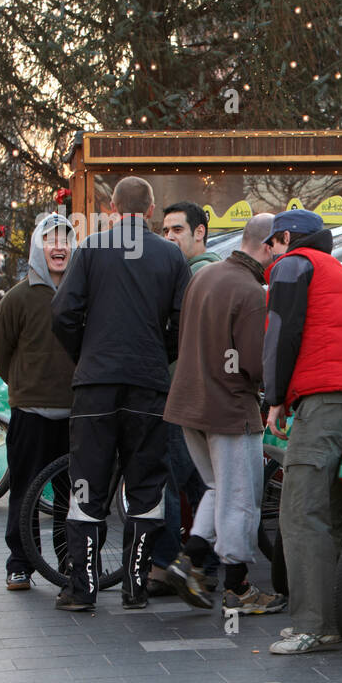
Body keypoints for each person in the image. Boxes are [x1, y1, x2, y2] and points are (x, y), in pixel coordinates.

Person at [51, 177, 190, 610]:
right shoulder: (170, 255)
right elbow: (183, 320)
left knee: (86, 486)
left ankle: (83, 589)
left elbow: (63, 312)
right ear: (150, 210)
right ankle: (135, 587)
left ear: (113, 208)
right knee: (146, 487)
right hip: (147, 386)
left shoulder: (91, 249)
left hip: (95, 385)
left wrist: (86, 355)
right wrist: (156, 353)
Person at [260, 209, 342, 654]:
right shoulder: (338, 273)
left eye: (272, 243)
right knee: (334, 510)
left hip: (322, 397)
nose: (269, 253)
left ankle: (314, 625)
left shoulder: (294, 265)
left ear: (286, 238)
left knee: (300, 510)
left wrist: (274, 397)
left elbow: (280, 334)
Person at [162, 213, 285, 615]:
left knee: (217, 489)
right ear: (267, 245)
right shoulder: (250, 291)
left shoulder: (207, 275)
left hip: (188, 403)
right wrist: (275, 387)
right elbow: (253, 362)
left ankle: (189, 562)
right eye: (280, 245)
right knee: (239, 499)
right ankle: (239, 589)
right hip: (229, 409)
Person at [0, 215, 77, 590]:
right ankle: (20, 563)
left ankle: (68, 562)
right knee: (25, 491)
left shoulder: (83, 294)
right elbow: (1, 353)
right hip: (31, 414)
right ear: (37, 247)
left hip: (77, 414)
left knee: (72, 495)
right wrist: (25, 387)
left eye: (66, 239)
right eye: (51, 239)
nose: (59, 247)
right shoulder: (18, 298)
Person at [148, 201, 222, 594]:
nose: (170, 237)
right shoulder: (205, 271)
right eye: (166, 231)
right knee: (198, 483)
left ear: (200, 232)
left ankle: (165, 566)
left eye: (178, 230)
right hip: (200, 396)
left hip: (185, 394)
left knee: (167, 481)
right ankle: (204, 565)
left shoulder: (198, 274)